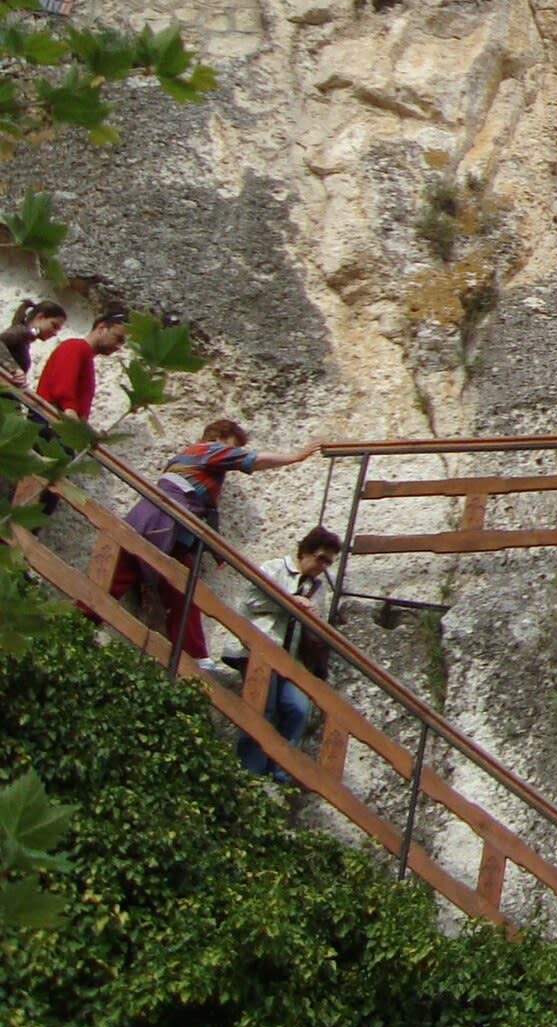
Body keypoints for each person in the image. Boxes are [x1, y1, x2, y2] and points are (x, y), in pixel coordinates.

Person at [109, 419, 320, 667]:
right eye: (233, 446)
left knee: (180, 589)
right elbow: (252, 459)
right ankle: (85, 615)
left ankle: (195, 654)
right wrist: (296, 457)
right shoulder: (207, 450)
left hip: (163, 528)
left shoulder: (194, 458)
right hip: (160, 523)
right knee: (126, 577)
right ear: (219, 438)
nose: (232, 456)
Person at [233, 526, 342, 782]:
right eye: (320, 558)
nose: (322, 566)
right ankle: (250, 773)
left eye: (328, 563)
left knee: (298, 709)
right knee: (263, 708)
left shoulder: (318, 588)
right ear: (305, 552)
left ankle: (280, 775)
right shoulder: (274, 569)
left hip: (292, 659)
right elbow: (251, 600)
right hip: (262, 649)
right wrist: (290, 601)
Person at [34, 309, 125, 423]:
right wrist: (70, 409)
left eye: (122, 343)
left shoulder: (84, 355)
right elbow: (63, 386)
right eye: (118, 338)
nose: (118, 346)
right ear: (101, 328)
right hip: (51, 418)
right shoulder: (76, 346)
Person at [1, 300, 65, 385]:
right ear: (40, 317)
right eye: (54, 326)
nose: (55, 333)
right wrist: (15, 369)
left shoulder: (26, 336)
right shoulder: (23, 332)